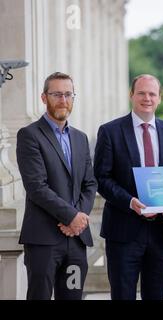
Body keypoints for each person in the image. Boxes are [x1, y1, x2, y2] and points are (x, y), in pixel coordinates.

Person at [94, 74, 163, 300]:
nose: (147, 98)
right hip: (123, 231)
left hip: (162, 232)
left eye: (152, 94)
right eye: (141, 93)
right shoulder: (110, 131)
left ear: (159, 99)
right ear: (131, 96)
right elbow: (102, 178)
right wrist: (130, 202)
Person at [16, 72, 97, 300]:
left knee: (73, 297)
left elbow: (90, 183)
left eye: (68, 94)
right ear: (44, 98)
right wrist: (72, 217)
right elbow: (36, 186)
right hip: (43, 240)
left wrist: (79, 219)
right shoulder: (29, 135)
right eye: (57, 94)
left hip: (76, 241)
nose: (63, 100)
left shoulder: (80, 139)